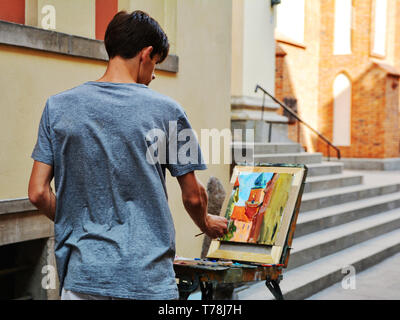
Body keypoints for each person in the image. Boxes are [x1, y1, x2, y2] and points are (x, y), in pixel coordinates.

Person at [28, 10, 228, 300]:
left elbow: (37, 193)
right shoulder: (168, 111)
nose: (155, 73)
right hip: (146, 280)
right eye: (156, 63)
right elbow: (194, 196)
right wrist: (206, 224)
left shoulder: (57, 107)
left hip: (82, 279)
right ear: (146, 54)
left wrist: (78, 222)